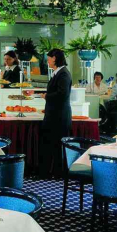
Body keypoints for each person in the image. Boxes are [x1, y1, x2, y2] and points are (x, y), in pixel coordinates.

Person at [39, 48, 72, 179]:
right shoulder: (58, 73)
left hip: (58, 117)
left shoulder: (63, 74)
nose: (47, 61)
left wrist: (46, 96)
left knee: (57, 146)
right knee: (52, 145)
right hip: (54, 115)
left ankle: (57, 174)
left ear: (55, 58)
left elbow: (62, 94)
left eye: (48, 58)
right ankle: (50, 173)